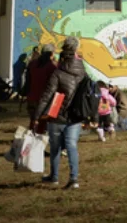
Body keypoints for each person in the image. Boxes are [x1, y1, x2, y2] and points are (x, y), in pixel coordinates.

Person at [34, 36, 85, 190]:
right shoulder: (84, 72)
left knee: (55, 147)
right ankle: (74, 178)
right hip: (75, 116)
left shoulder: (58, 72)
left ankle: (54, 176)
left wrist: (37, 116)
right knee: (71, 145)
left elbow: (46, 96)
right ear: (76, 51)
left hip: (58, 115)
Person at [26, 44, 57, 130]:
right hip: (44, 99)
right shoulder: (51, 67)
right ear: (51, 54)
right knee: (43, 122)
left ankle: (31, 139)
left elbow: (27, 81)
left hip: (31, 97)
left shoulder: (32, 64)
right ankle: (38, 139)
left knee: (33, 120)